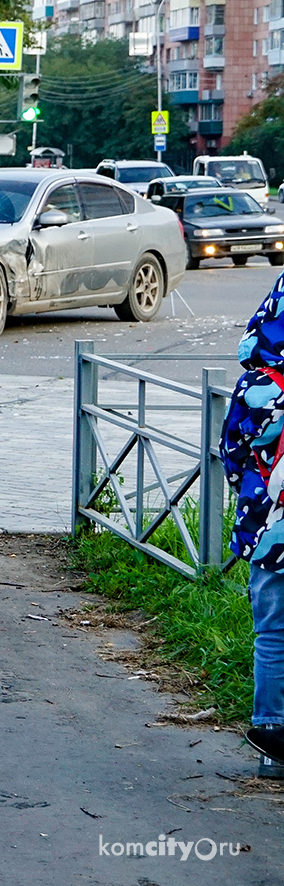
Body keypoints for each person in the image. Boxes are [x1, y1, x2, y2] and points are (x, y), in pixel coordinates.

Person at [219, 275, 284, 771]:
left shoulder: (257, 386)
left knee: (272, 635)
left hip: (271, 537)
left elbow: (233, 456)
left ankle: (272, 744)